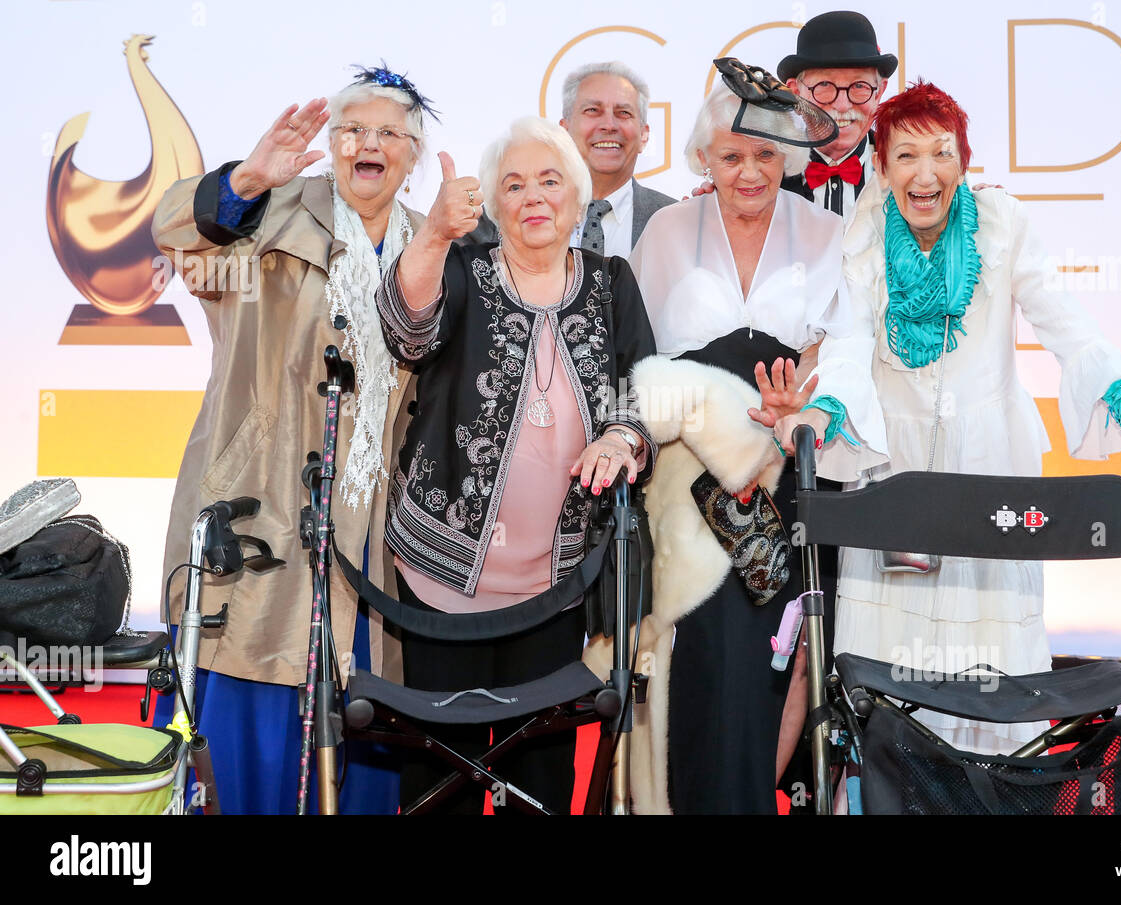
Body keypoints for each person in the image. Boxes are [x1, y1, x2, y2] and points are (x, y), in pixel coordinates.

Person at [775, 81, 1121, 755]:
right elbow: (849, 341)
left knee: (993, 677)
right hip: (897, 478)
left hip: (991, 471)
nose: (925, 174)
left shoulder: (1001, 223)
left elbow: (1070, 329)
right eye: (905, 156)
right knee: (893, 685)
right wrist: (825, 409)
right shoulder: (864, 230)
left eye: (942, 153)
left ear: (963, 163)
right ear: (881, 167)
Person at [152, 65, 435, 813]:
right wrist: (245, 178)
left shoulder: (433, 247)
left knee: (360, 714)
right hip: (262, 510)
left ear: (414, 156)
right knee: (251, 715)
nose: (366, 144)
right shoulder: (273, 213)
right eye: (351, 130)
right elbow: (177, 243)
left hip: (371, 531)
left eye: (387, 133)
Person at [374, 116, 657, 813]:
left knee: (542, 781)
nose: (533, 197)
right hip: (442, 582)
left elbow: (646, 387)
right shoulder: (464, 269)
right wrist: (435, 233)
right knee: (439, 775)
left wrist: (621, 438)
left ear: (579, 195)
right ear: (494, 206)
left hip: (554, 586)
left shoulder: (612, 282)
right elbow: (406, 332)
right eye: (514, 184)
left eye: (550, 180)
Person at [626, 82, 886, 814]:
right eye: (731, 154)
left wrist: (798, 401)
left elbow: (842, 350)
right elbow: (636, 361)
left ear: (790, 155)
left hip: (796, 471)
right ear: (704, 156)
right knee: (706, 659)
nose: (748, 171)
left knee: (792, 659)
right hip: (693, 486)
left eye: (766, 153)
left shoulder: (828, 235)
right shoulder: (666, 234)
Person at [466, 62, 674, 256]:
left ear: (644, 135)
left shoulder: (674, 220)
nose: (609, 125)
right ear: (564, 130)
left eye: (624, 113)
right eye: (593, 110)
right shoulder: (503, 213)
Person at [777, 10, 897, 219]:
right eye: (824, 85)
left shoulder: (906, 172)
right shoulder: (765, 174)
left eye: (859, 85)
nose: (842, 105)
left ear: (879, 92)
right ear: (796, 93)